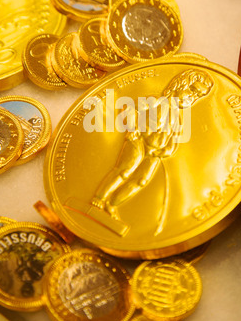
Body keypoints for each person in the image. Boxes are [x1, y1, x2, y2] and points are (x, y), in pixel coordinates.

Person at [91, 69, 214, 221]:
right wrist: (133, 128)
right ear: (180, 85)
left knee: (141, 181)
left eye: (197, 96)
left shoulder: (178, 119)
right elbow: (129, 108)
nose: (192, 97)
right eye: (192, 90)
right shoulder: (156, 101)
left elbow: (174, 141)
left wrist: (166, 151)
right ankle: (100, 198)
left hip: (155, 153)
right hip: (139, 140)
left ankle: (112, 204)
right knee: (125, 170)